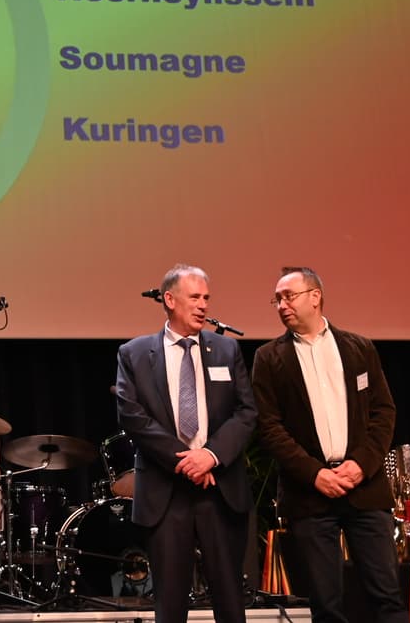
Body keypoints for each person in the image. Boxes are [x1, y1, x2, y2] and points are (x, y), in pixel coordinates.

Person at [251, 266, 403, 623]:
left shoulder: (359, 348)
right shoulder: (269, 358)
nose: (281, 305)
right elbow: (269, 427)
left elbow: (383, 411)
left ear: (315, 297)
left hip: (364, 487)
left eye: (289, 296)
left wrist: (361, 464)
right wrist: (315, 474)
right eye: (277, 299)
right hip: (309, 494)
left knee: (387, 597)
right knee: (326, 604)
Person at [115, 264, 256, 623]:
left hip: (219, 490)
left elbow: (246, 413)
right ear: (169, 299)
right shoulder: (134, 354)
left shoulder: (226, 350)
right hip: (166, 494)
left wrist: (210, 456)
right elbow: (133, 417)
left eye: (206, 297)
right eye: (195, 297)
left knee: (231, 601)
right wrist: (188, 461)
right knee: (170, 604)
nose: (203, 305)